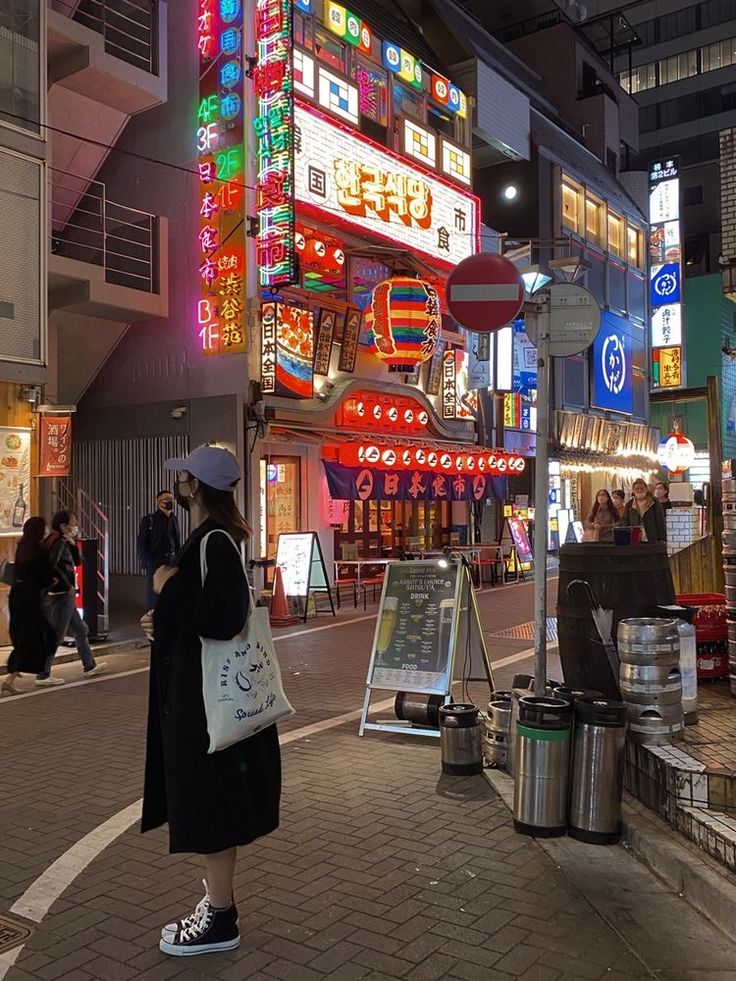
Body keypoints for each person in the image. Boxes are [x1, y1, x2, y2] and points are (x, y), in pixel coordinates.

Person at [140, 445, 281, 957]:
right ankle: (218, 906)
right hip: (203, 701)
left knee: (211, 809)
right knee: (208, 806)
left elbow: (225, 617)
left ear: (196, 487)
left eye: (185, 478)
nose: (179, 485)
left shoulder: (215, 542)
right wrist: (162, 619)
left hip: (207, 709)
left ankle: (221, 918)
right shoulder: (210, 539)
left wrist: (165, 587)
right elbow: (202, 616)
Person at [36, 510, 107, 686]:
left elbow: (77, 562)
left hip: (64, 593)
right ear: (63, 526)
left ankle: (89, 666)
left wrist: (73, 544)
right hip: (61, 594)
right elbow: (51, 565)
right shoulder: (57, 541)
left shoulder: (60, 540)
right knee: (57, 634)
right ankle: (43, 674)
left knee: (81, 629)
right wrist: (65, 585)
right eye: (73, 523)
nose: (76, 526)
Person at [2, 517, 58, 696]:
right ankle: (15, 675)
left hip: (17, 595)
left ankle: (16, 672)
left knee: (23, 635)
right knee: (43, 635)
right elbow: (47, 578)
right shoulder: (41, 552)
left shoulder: (22, 547)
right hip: (32, 599)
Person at [138, 490, 181, 610]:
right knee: (154, 595)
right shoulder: (149, 519)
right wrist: (147, 561)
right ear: (159, 502)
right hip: (155, 561)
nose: (170, 502)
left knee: (170, 593)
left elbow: (176, 541)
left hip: (171, 562)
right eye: (166, 499)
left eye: (171, 499)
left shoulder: (174, 519)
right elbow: (142, 542)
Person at [624, 479, 667, 543]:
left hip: (651, 536)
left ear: (646, 489)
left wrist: (662, 538)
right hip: (635, 538)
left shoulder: (654, 503)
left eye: (642, 488)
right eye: (637, 488)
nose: (639, 490)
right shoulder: (629, 504)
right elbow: (625, 521)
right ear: (633, 490)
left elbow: (660, 520)